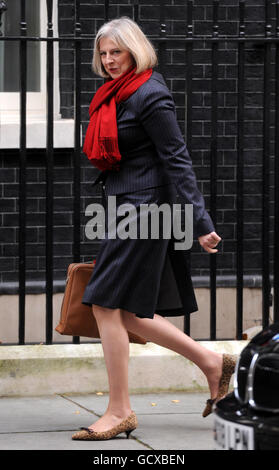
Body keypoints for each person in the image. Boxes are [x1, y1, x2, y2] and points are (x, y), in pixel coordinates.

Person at [72, 16, 237, 441]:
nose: (109, 60)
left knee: (105, 303)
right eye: (103, 53)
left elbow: (176, 159)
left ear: (135, 51)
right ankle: (212, 363)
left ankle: (120, 409)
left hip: (146, 209)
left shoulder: (149, 95)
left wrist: (201, 223)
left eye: (117, 52)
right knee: (125, 310)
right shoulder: (115, 95)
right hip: (127, 206)